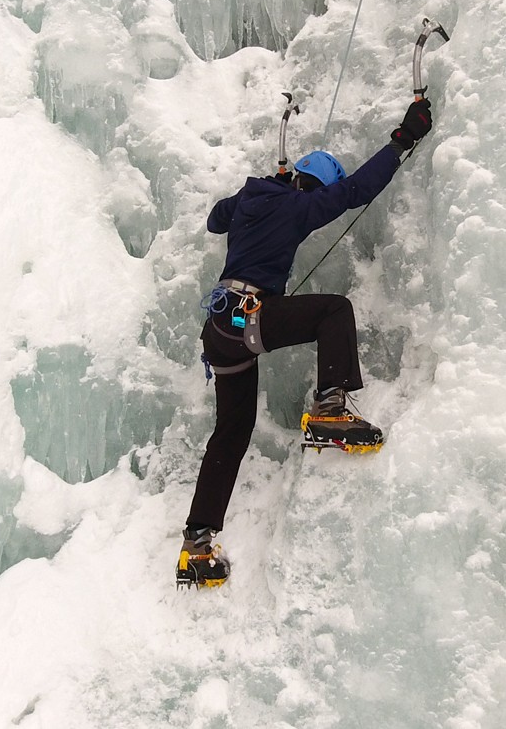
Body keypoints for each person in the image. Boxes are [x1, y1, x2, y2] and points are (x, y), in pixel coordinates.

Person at [176, 96, 435, 588]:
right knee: (333, 309)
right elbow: (357, 189)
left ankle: (197, 546)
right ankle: (329, 408)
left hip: (220, 332)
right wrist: (404, 139)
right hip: (249, 318)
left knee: (231, 431)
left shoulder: (253, 199)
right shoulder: (302, 204)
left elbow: (215, 219)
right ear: (316, 187)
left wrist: (260, 193)